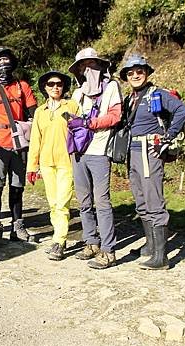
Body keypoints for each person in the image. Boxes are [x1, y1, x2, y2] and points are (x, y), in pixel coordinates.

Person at [118, 54, 185, 269]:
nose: (135, 75)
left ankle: (161, 257)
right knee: (140, 202)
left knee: (154, 201)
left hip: (149, 152)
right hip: (133, 152)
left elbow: (182, 110)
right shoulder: (130, 99)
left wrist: (168, 138)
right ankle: (150, 247)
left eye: (139, 71)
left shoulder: (156, 94)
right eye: (131, 73)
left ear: (146, 73)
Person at [67, 48, 123, 269]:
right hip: (79, 152)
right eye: (83, 65)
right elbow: (68, 118)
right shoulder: (77, 93)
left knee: (102, 201)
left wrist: (90, 123)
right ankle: (91, 242)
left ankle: (109, 250)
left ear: (101, 66)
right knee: (84, 201)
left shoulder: (111, 88)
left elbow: (115, 116)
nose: (87, 69)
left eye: (92, 64)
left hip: (100, 152)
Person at [0, 47, 37, 242]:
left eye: (5, 60)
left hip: (20, 143)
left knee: (17, 186)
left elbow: (34, 112)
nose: (2, 64)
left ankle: (17, 226)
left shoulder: (23, 86)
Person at [26, 71, 77, 261]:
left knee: (62, 203)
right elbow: (35, 141)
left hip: (67, 162)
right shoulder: (40, 111)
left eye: (59, 84)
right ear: (45, 88)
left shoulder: (72, 106)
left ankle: (59, 241)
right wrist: (32, 167)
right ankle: (58, 237)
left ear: (64, 87)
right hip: (47, 164)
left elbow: (81, 132)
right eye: (51, 84)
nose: (55, 87)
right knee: (53, 203)